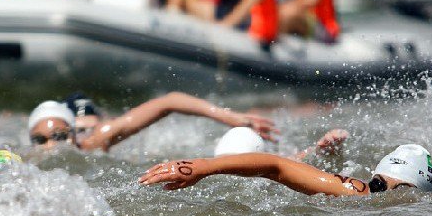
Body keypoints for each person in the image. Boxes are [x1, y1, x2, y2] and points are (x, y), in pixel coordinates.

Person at [140, 141, 432, 197]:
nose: (380, 190)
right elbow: (275, 165)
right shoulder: (358, 193)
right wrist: (204, 166)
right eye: (379, 184)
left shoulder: (360, 194)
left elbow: (277, 166)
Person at [27, 91, 277, 152]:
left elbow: (169, 101)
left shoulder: (95, 139)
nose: (51, 146)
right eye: (40, 140)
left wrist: (230, 116)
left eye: (59, 136)